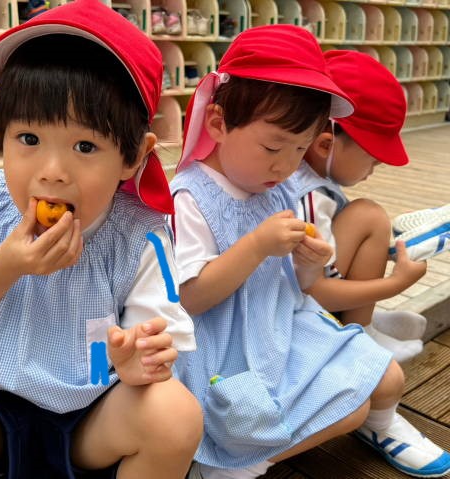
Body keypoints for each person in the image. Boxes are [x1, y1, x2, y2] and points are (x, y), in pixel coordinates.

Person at [0, 2, 203, 478]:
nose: (52, 172)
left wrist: (135, 361)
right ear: (0, 135)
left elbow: (157, 343)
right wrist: (5, 266)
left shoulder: (140, 233)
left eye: (85, 146)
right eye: (28, 139)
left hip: (89, 420)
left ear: (133, 157)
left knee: (175, 415)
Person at [170, 25, 450, 479]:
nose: (285, 165)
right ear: (218, 124)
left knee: (386, 380)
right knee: (323, 410)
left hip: (281, 322)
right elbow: (189, 298)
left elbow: (299, 287)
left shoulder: (276, 189)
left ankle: (373, 427)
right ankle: (235, 468)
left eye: (299, 149)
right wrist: (256, 245)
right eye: (272, 146)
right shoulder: (192, 197)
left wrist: (308, 265)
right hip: (224, 343)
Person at [294, 50, 428, 363]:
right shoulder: (308, 196)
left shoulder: (305, 174)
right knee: (369, 216)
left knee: (369, 218)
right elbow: (312, 291)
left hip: (302, 295)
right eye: (372, 158)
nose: (374, 168)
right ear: (325, 143)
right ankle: (359, 332)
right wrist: (394, 285)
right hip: (296, 315)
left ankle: (362, 320)